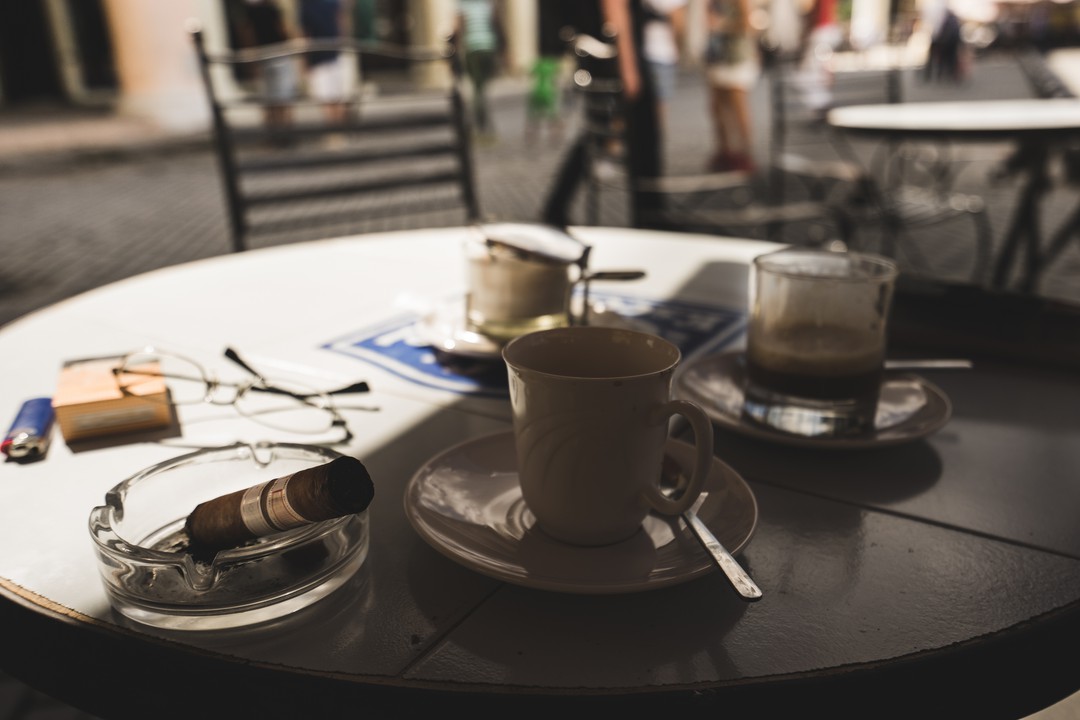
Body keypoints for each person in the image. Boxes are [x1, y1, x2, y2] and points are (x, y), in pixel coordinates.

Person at [540, 0, 663, 230]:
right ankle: (650, 217)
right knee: (640, 140)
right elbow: (615, 6)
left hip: (603, 59)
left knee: (596, 133)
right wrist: (628, 67)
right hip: (618, 59)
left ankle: (555, 207)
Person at [703, 0, 760, 172]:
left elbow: (747, 24)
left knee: (738, 107)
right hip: (716, 56)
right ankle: (725, 152)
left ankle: (745, 154)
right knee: (717, 108)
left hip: (736, 57)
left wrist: (720, 25)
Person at [236, 0, 298, 134]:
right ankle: (285, 132)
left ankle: (275, 133)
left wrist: (251, 58)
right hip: (279, 53)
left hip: (263, 56)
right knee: (282, 95)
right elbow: (283, 29)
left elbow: (247, 33)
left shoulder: (251, 11)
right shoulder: (272, 9)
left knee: (269, 98)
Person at [454, 0, 503, 141]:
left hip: (473, 48)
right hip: (488, 46)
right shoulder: (488, 4)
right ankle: (484, 124)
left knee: (478, 89)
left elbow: (458, 27)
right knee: (481, 88)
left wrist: (456, 50)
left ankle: (481, 126)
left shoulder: (462, 5)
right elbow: (496, 24)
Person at [299, 0, 352, 125]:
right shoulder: (332, 3)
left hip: (320, 56)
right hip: (333, 53)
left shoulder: (306, 6)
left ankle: (334, 130)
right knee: (335, 97)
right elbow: (342, 24)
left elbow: (305, 35)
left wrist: (304, 61)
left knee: (327, 98)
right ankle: (337, 128)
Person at [641, 0, 687, 130]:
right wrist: (679, 48)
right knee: (659, 106)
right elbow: (678, 22)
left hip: (638, 51)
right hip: (662, 52)